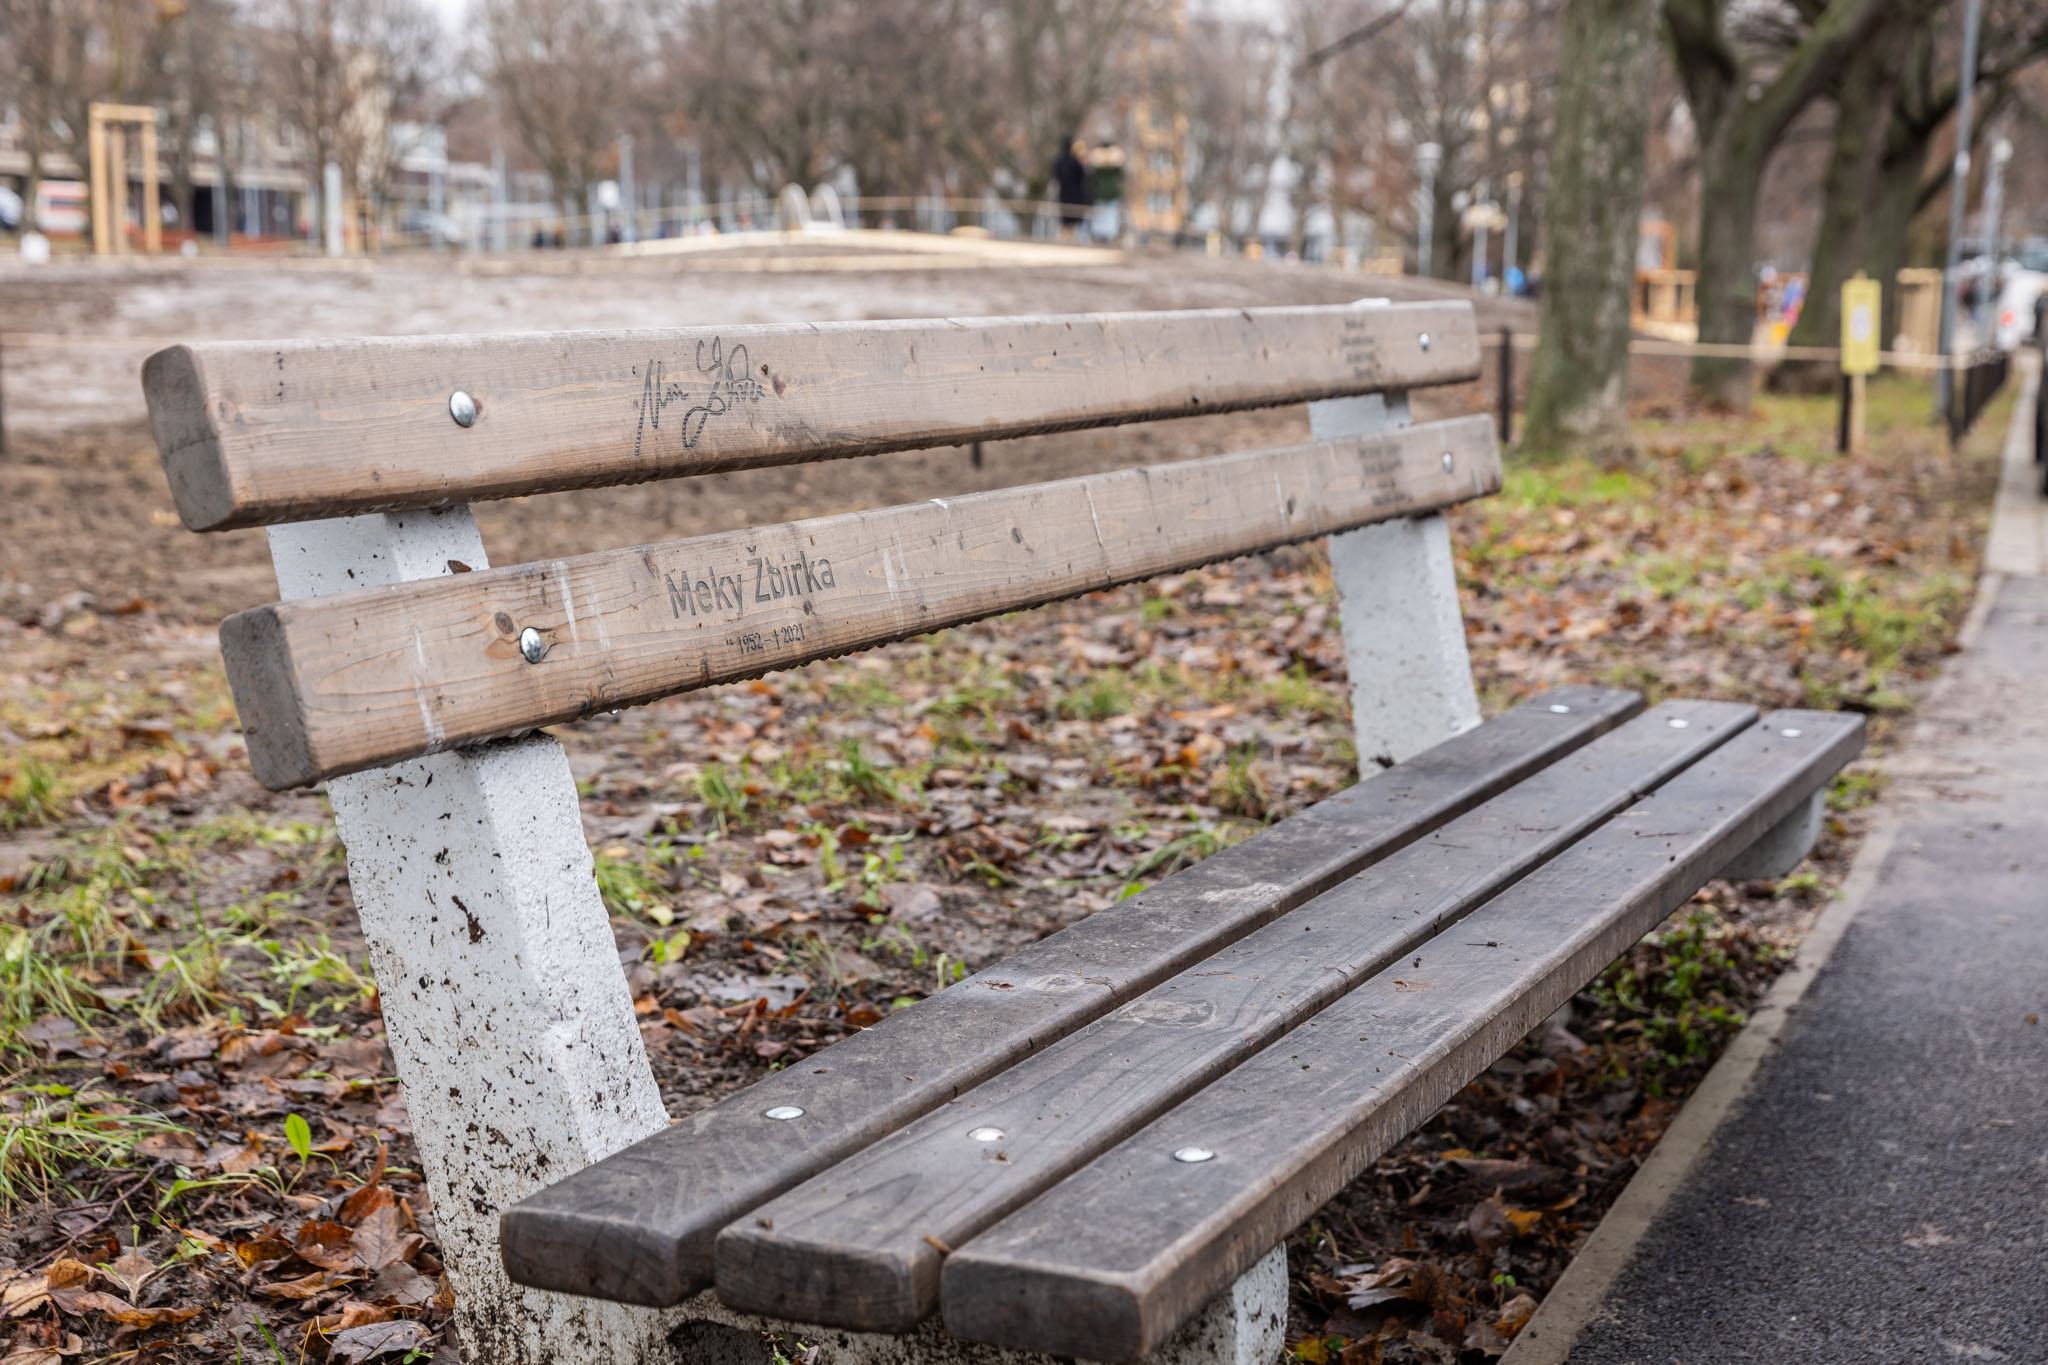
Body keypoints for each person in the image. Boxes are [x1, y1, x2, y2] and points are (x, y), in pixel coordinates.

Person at [1053, 136, 1091, 240]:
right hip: (1076, 196)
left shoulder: (1058, 161)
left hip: (1063, 195)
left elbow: (1056, 176)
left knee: (1065, 223)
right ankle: (1071, 241)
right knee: (1073, 224)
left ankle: (1064, 240)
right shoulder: (1075, 161)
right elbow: (1083, 176)